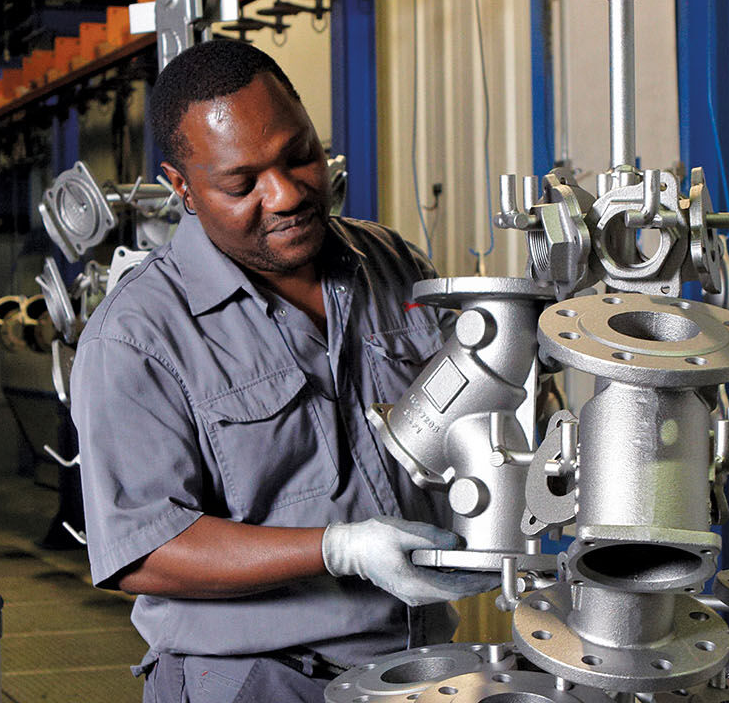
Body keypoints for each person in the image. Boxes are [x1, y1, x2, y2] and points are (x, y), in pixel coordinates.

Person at [71, 39, 496, 703]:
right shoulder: (138, 335)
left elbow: (465, 426)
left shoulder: (390, 264)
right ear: (181, 186)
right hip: (255, 677)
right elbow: (144, 552)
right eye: (241, 183)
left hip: (417, 667)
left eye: (300, 155)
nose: (287, 193)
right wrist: (341, 549)